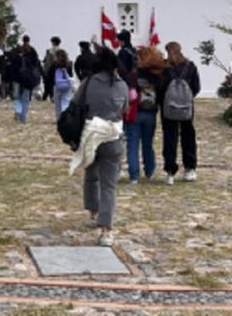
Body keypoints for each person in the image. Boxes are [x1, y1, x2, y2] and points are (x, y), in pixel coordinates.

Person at [70, 47, 129, 247]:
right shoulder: (122, 85)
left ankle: (94, 211)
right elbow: (125, 109)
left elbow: (76, 104)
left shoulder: (88, 84)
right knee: (109, 185)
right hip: (113, 137)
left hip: (91, 136)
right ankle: (106, 230)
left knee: (91, 174)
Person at [160, 41, 201, 185]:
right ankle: (190, 168)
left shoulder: (165, 68)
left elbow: (160, 88)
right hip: (186, 108)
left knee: (170, 138)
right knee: (188, 136)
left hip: (169, 109)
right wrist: (186, 99)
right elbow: (196, 87)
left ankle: (170, 171)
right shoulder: (190, 67)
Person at [126, 46, 165, 184]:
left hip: (135, 112)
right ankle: (149, 171)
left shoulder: (133, 74)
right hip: (151, 113)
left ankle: (134, 175)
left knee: (132, 144)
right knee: (148, 144)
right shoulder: (156, 74)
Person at [13, 35, 40, 124]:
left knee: (17, 98)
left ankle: (18, 111)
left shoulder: (17, 50)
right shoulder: (32, 51)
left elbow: (12, 64)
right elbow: (36, 64)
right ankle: (23, 117)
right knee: (25, 99)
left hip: (17, 77)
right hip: (28, 79)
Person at [53, 49, 74, 121]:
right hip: (67, 85)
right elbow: (71, 75)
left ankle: (60, 118)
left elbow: (49, 75)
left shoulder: (55, 65)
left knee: (58, 105)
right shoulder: (69, 64)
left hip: (57, 86)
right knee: (66, 102)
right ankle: (66, 117)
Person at [42, 36, 62, 101]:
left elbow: (48, 62)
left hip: (50, 70)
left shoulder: (50, 51)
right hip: (58, 70)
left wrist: (45, 71)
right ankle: (51, 96)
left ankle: (49, 97)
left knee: (49, 85)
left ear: (53, 42)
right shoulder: (61, 51)